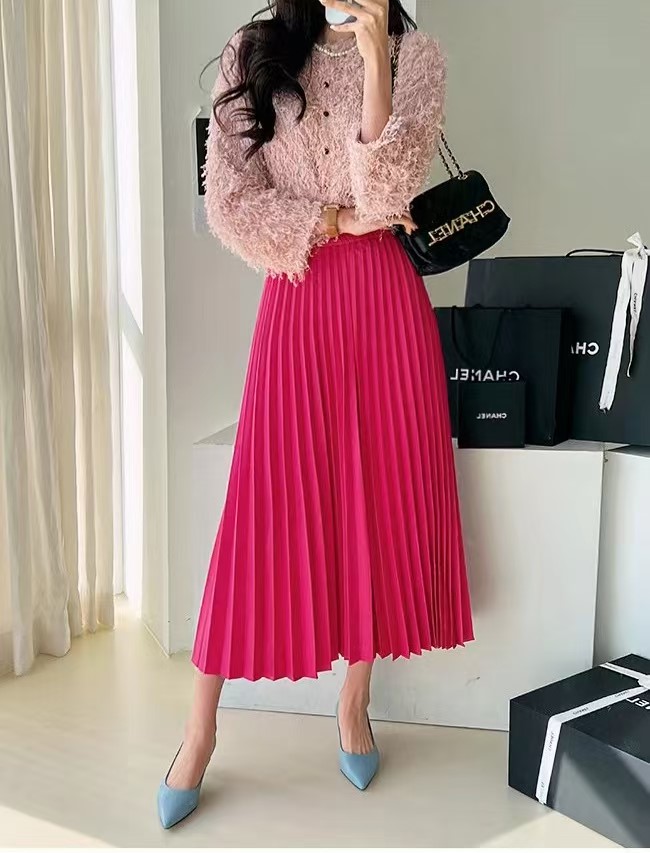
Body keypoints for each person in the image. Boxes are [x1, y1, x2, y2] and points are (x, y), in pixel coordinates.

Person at [158, 0, 473, 829]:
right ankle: (199, 731)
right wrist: (332, 220)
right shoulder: (255, 49)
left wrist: (374, 62)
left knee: (378, 502)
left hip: (387, 309)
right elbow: (231, 203)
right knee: (258, 511)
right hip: (298, 300)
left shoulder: (417, 57)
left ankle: (354, 701)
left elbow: (389, 192)